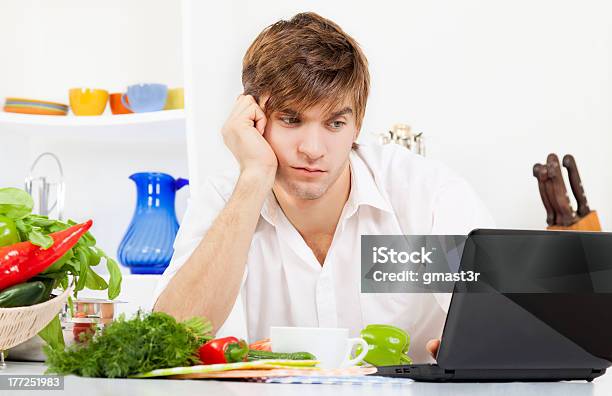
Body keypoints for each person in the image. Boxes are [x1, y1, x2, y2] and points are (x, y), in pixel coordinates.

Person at [153, 12, 494, 363]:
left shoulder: (424, 194)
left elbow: (502, 319)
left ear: (356, 126)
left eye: (335, 123)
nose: (313, 148)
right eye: (291, 119)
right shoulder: (227, 201)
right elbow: (169, 342)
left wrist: (479, 348)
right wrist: (254, 177)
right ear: (252, 118)